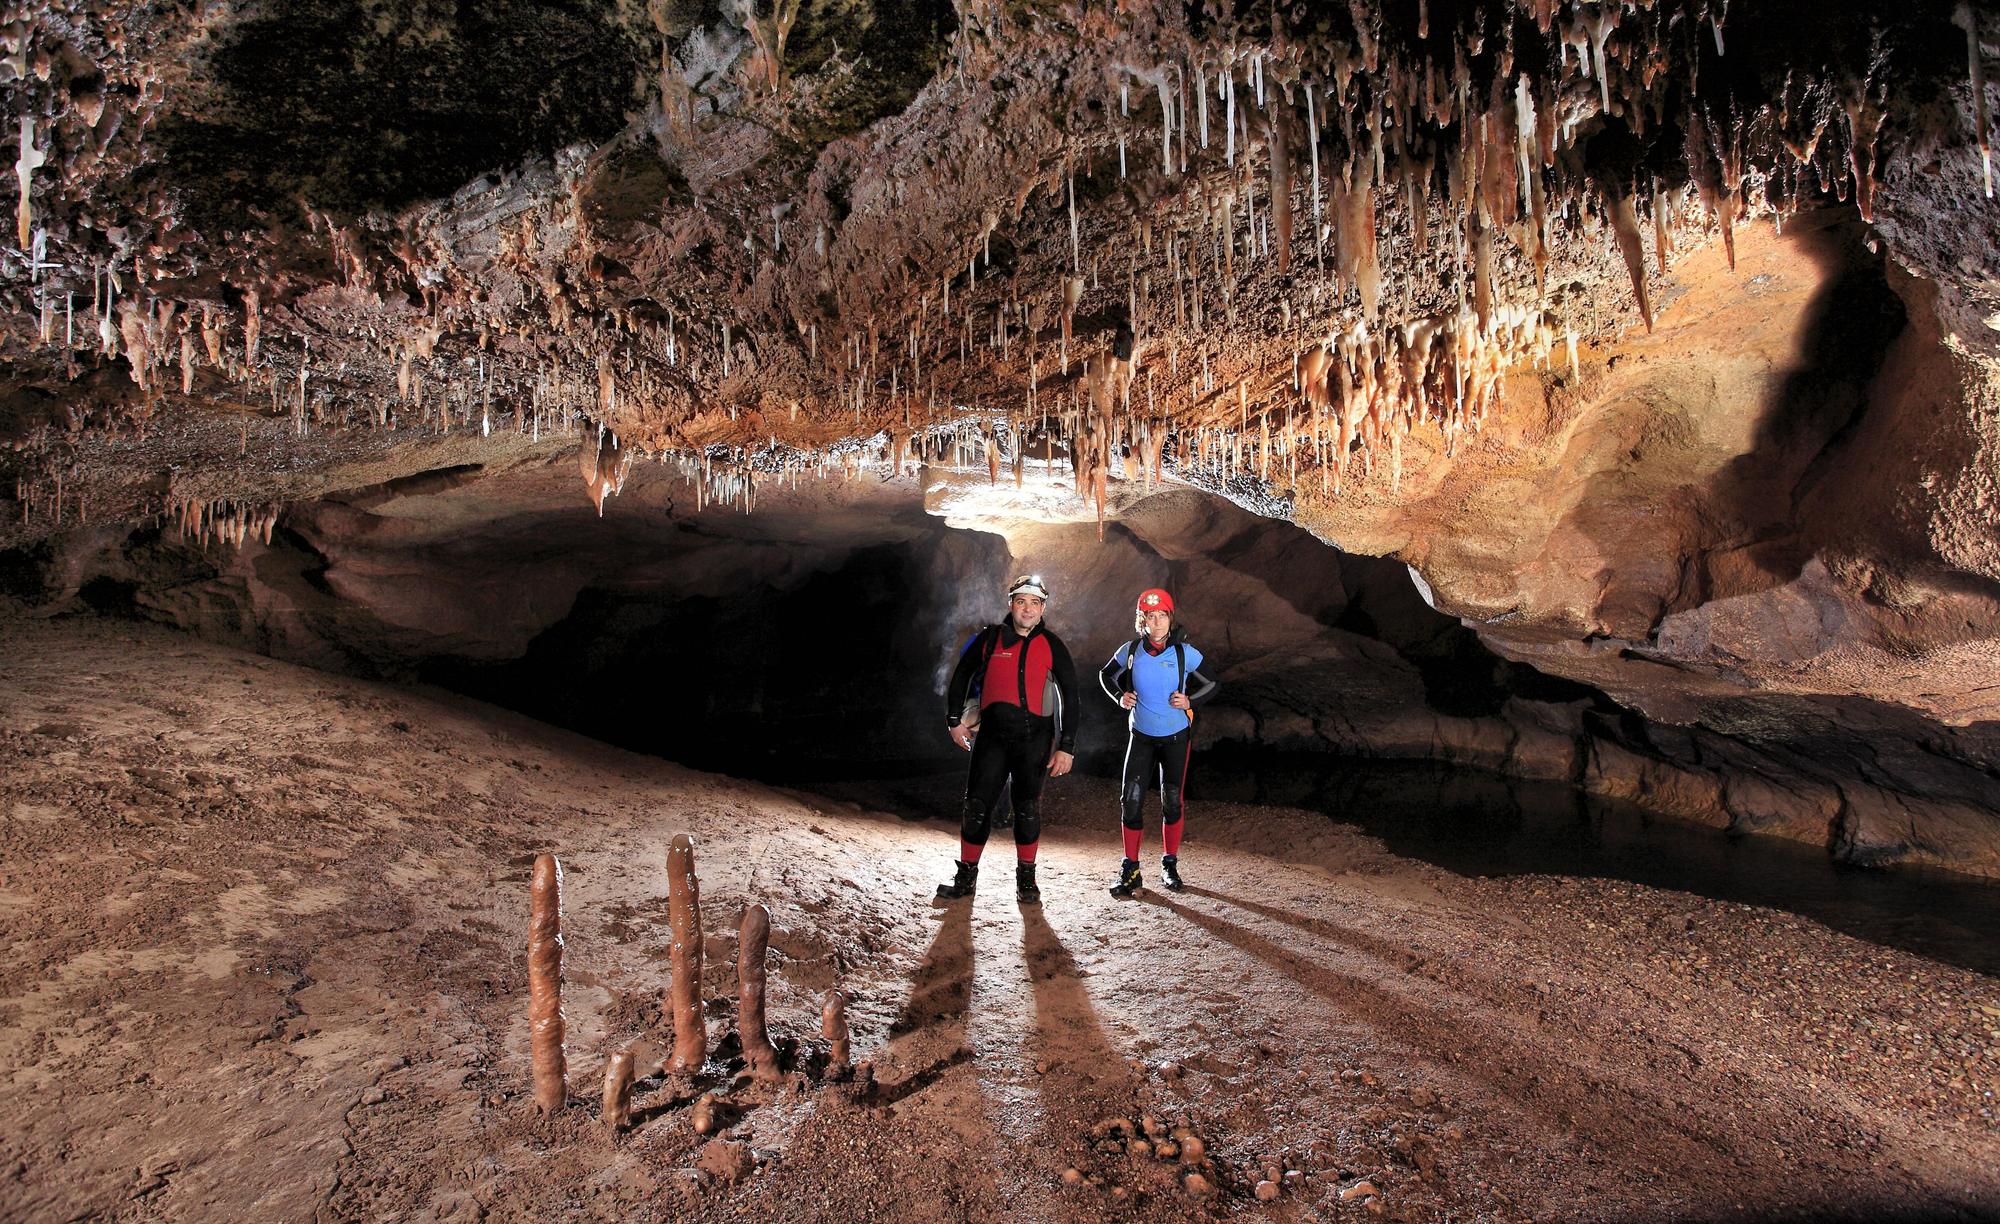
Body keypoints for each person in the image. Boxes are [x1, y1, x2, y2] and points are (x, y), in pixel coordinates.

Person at [937, 574, 1080, 904]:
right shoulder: (989, 639)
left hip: (1035, 741)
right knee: (975, 808)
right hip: (992, 740)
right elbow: (961, 676)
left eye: (1034, 603)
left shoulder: (1053, 645)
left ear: (1043, 608)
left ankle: (1026, 881)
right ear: (1011, 604)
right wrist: (954, 722)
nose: (1027, 609)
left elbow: (1071, 697)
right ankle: (965, 879)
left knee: (1027, 809)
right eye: (1021, 601)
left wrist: (1066, 747)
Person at [1098, 588, 1218, 897]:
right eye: (1150, 616)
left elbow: (1213, 682)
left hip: (1175, 738)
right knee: (1131, 800)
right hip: (1141, 737)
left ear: (1170, 618)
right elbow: (1106, 675)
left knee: (1171, 800)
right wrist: (1119, 697)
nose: (1157, 622)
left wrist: (1190, 699)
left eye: (1162, 615)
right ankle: (1131, 868)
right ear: (1143, 621)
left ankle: (1169, 863)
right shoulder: (1131, 650)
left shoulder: (1183, 653)